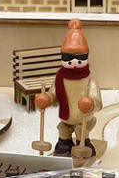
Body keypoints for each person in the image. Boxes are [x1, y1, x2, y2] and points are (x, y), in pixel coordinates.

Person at [35, 19, 103, 156]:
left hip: (84, 120)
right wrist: (46, 99)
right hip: (66, 119)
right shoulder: (60, 79)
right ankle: (64, 144)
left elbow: (98, 102)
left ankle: (83, 144)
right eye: (68, 57)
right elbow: (54, 94)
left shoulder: (90, 82)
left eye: (80, 58)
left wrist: (90, 103)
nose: (74, 62)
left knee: (80, 131)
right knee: (63, 129)